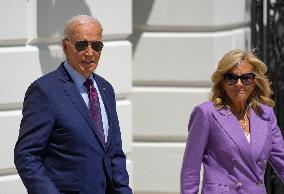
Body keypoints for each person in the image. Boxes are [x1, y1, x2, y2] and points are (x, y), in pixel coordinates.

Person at [14, 15, 133, 194]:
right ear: (65, 47)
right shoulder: (45, 91)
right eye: (81, 44)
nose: (89, 52)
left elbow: (114, 153)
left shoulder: (106, 89)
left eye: (96, 45)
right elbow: (26, 155)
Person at [180, 49, 284, 194]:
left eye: (246, 78)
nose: (239, 84)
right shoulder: (206, 113)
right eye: (231, 78)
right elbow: (190, 171)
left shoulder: (266, 114)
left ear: (255, 82)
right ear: (222, 82)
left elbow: (282, 160)